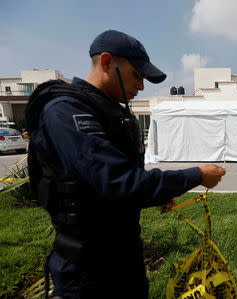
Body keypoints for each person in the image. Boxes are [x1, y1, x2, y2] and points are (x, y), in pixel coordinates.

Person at [26, 30, 226, 299]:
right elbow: (120, 183)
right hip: (87, 268)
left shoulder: (108, 110)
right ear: (107, 63)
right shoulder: (65, 111)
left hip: (122, 257)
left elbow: (125, 179)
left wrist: (155, 195)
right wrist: (197, 174)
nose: (142, 86)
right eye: (137, 75)